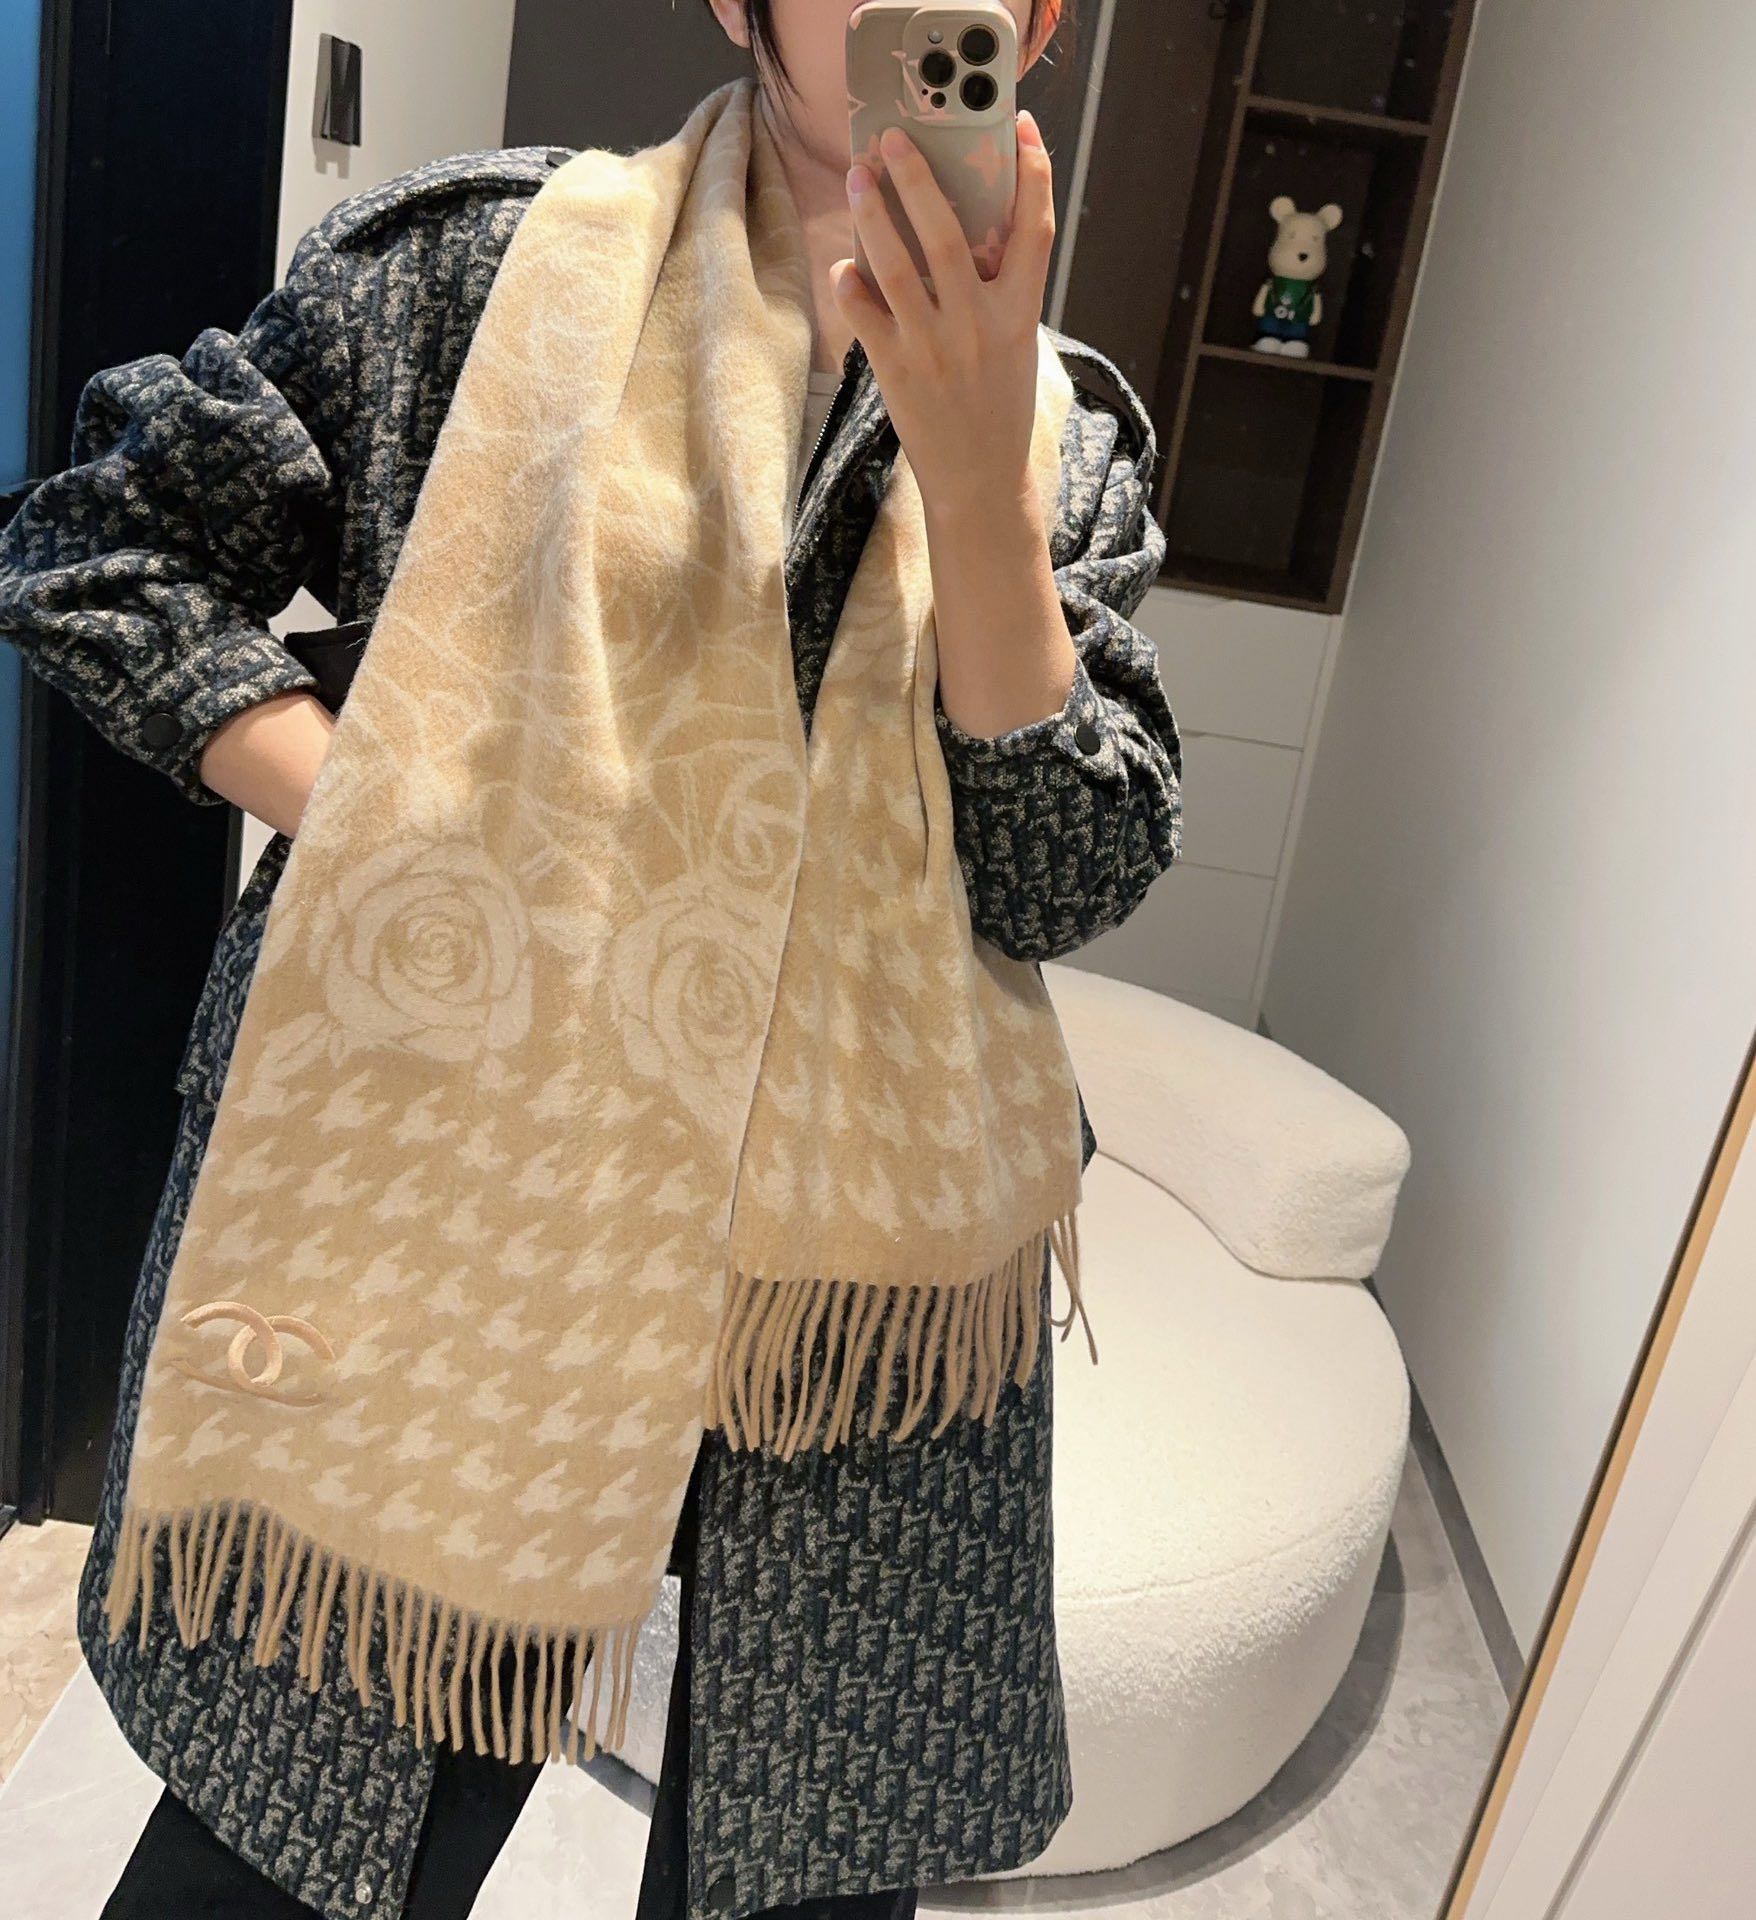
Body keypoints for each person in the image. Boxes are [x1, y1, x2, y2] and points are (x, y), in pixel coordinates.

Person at [0, 2, 1183, 1915]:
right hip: (478, 1194)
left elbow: (1064, 874)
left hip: (844, 1304)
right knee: (304, 1852)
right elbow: (101, 552)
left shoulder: (1074, 434)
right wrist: (390, 815)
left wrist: (980, 485)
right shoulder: (473, 272)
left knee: (796, 1869)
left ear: (1039, 24)